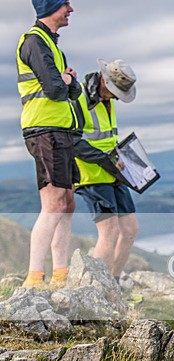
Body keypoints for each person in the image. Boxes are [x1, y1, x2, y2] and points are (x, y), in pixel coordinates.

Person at [16, 0, 80, 289]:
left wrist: (67, 80)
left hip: (60, 131)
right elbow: (57, 90)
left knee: (67, 203)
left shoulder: (53, 44)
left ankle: (60, 275)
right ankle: (34, 279)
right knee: (54, 203)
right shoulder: (35, 42)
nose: (71, 9)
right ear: (50, 7)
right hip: (44, 130)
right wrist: (66, 79)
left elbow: (73, 90)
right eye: (65, 3)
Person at [73, 59, 139, 280]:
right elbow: (73, 141)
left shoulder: (107, 101)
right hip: (90, 175)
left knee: (130, 229)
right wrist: (105, 160)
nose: (117, 96)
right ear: (104, 79)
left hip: (114, 172)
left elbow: (107, 138)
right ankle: (97, 289)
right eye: (115, 91)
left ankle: (114, 280)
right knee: (109, 231)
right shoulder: (78, 97)